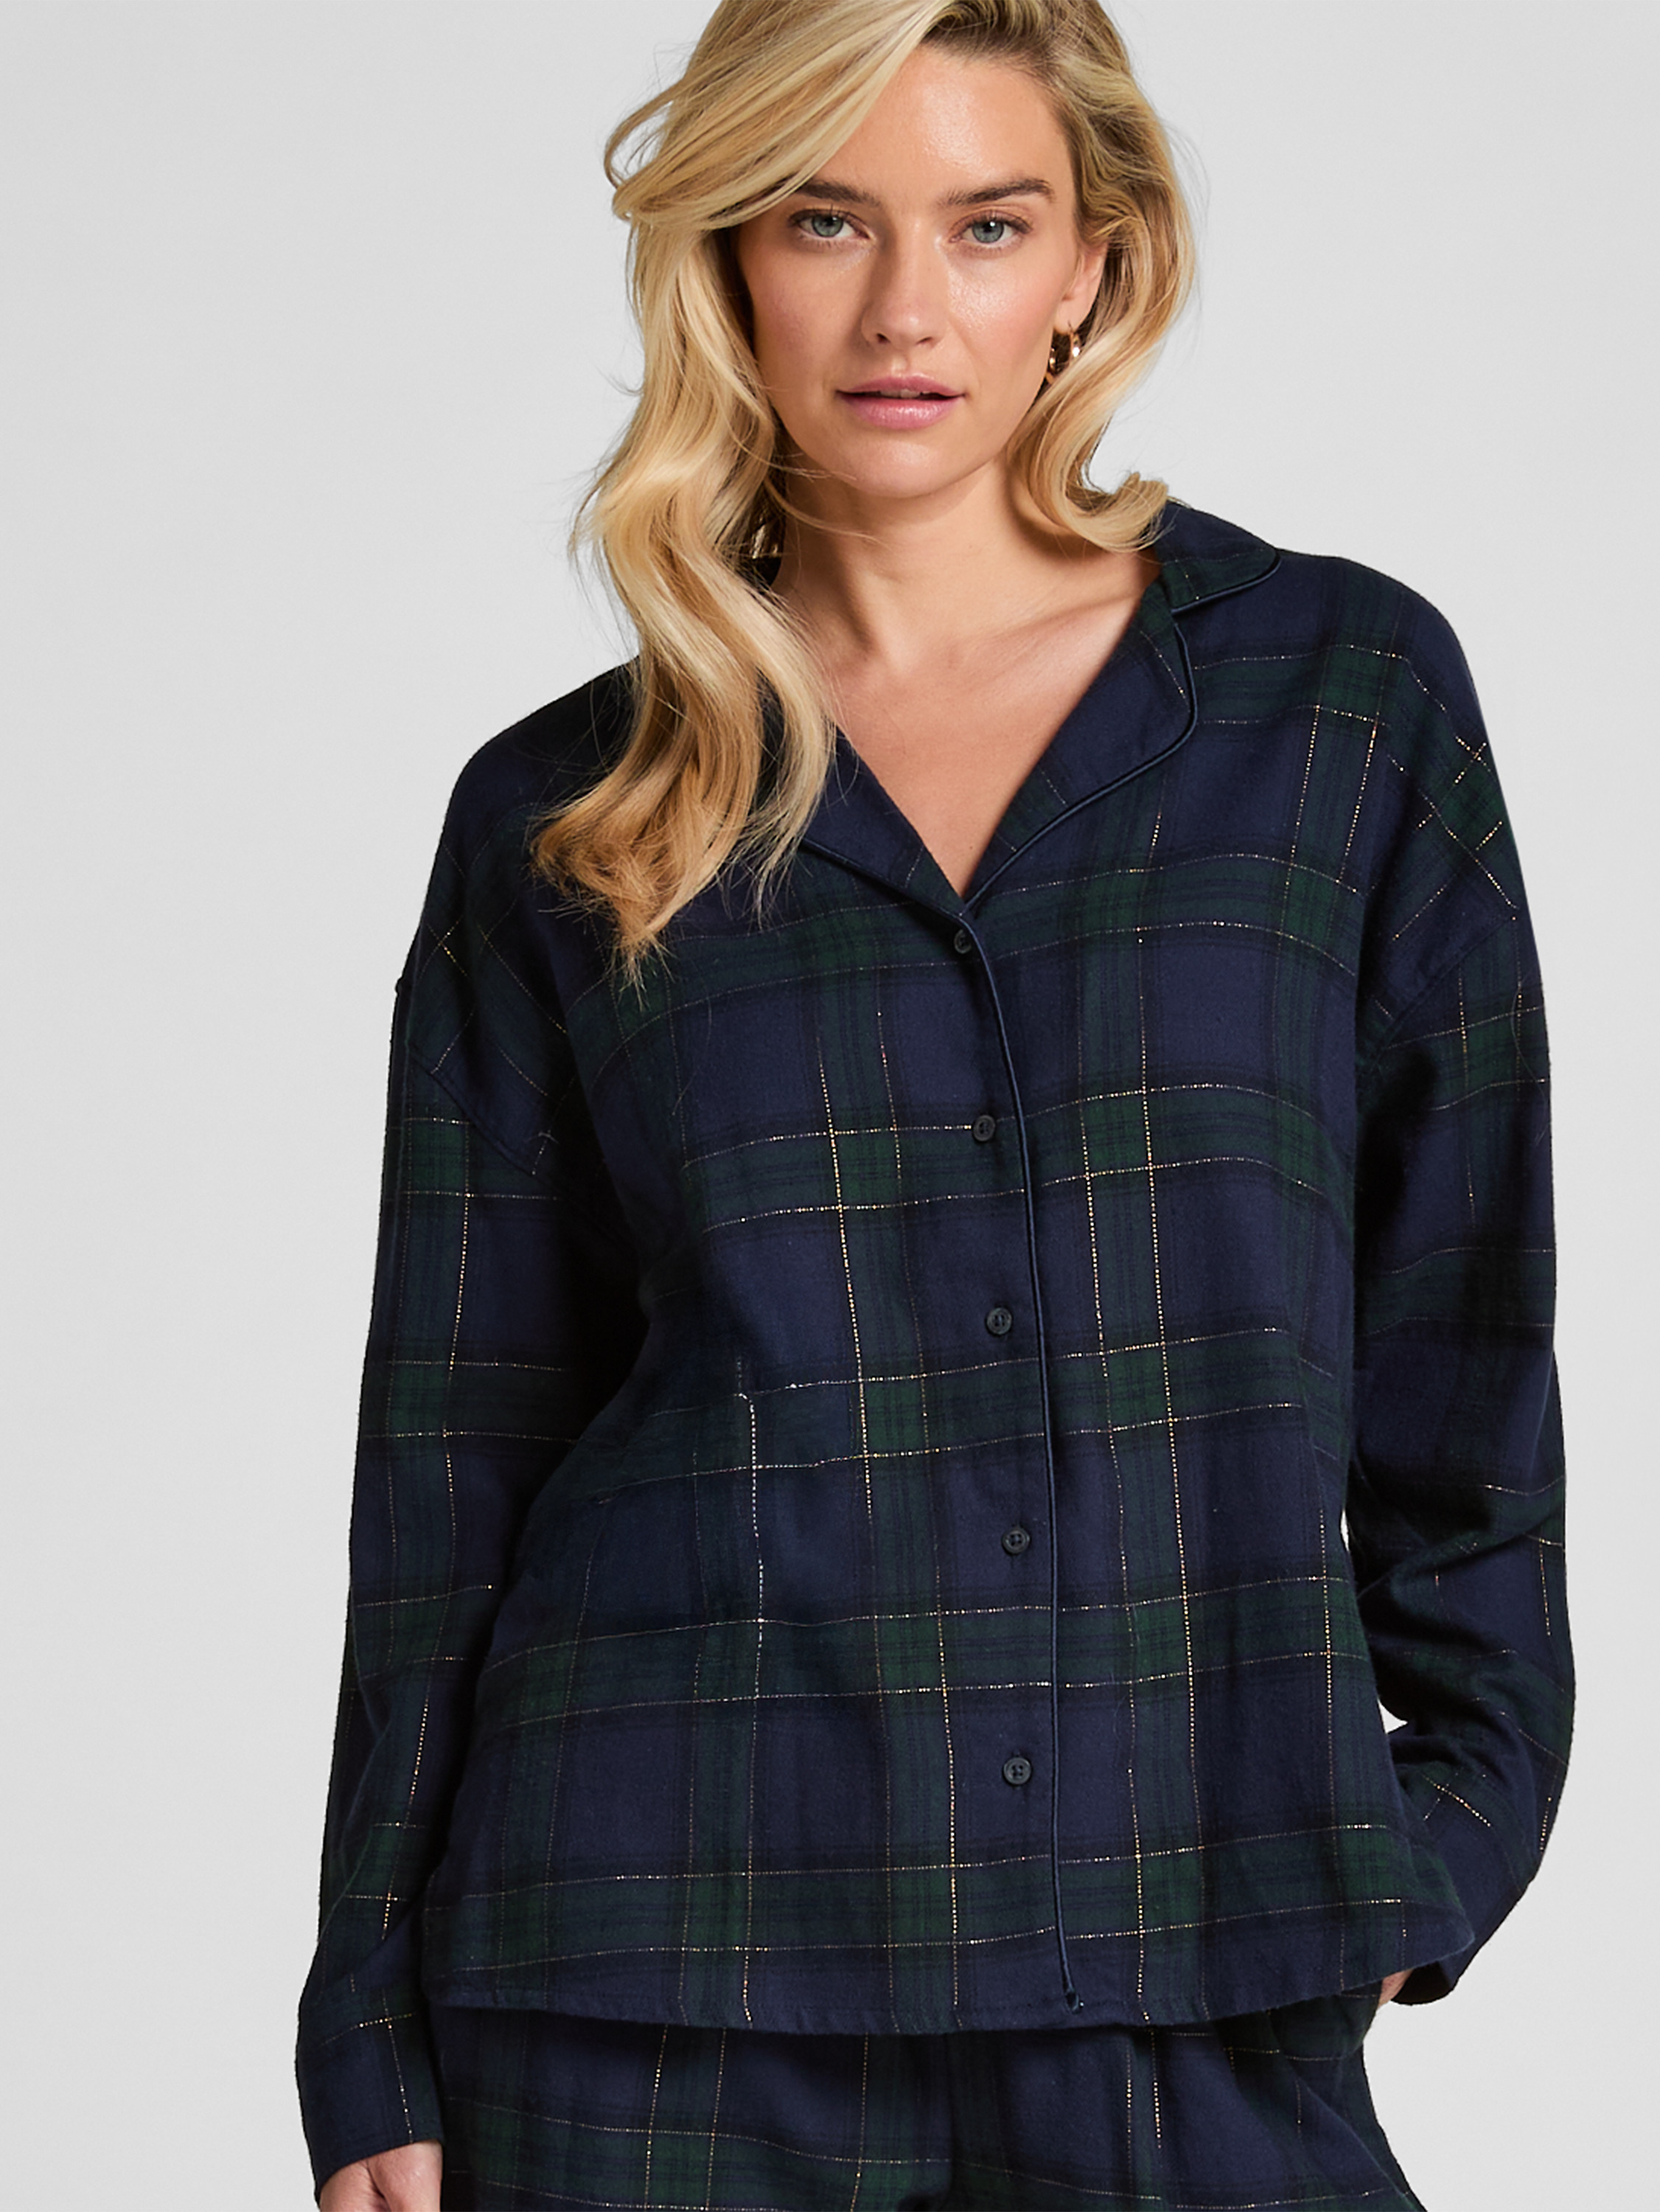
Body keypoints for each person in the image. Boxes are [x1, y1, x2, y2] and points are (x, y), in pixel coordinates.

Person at [299, 1, 1572, 2205]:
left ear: (1093, 260)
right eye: (825, 221)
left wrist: (1447, 1820)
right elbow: (455, 1453)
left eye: (986, 225)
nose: (905, 309)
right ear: (727, 261)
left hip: (1183, 1945)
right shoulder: (567, 808)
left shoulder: (1338, 706)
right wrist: (368, 2022)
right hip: (649, 1982)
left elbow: (1460, 1323)